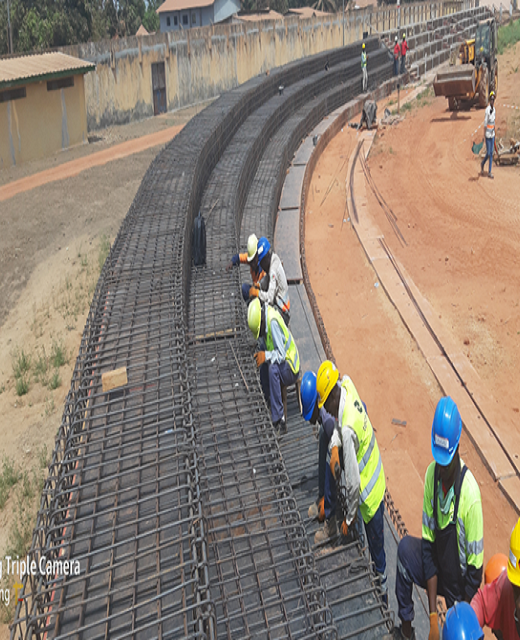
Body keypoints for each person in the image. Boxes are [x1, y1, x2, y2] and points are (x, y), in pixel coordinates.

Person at [394, 396, 484, 640]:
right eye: (439, 462)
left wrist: (455, 618)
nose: (441, 469)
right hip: (437, 569)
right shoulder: (431, 476)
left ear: (456, 450)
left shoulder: (470, 494)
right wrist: (433, 617)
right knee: (404, 552)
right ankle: (405, 631)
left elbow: (475, 573)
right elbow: (427, 546)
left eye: (446, 463)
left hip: (461, 586)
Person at [316, 361, 387, 596]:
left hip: (371, 496)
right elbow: (341, 425)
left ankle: (381, 592)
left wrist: (348, 518)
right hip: (376, 478)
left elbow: (354, 483)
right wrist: (334, 446)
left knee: (378, 556)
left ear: (332, 398)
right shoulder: (347, 383)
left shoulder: (348, 431)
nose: (327, 410)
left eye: (326, 404)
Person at [247, 297, 300, 436]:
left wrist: (266, 356)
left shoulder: (272, 322)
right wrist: (262, 356)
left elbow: (281, 355)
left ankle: (279, 420)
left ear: (261, 322)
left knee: (272, 369)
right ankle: (267, 399)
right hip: (284, 363)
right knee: (265, 361)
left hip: (291, 367)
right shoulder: (265, 318)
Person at [300, 371, 337, 543]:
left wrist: (328, 505)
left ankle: (331, 522)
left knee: (332, 467)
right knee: (322, 436)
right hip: (333, 433)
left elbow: (335, 464)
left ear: (317, 404)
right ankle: (322, 496)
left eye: (310, 415)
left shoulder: (329, 421)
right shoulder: (323, 415)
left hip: (346, 440)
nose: (309, 421)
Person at [470, 519, 520, 640]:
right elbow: (482, 603)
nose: (519, 604)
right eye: (517, 589)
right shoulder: (507, 586)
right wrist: (467, 629)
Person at [251, 237, 291, 326]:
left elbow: (270, 298)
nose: (262, 267)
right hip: (278, 306)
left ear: (265, 259)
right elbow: (267, 280)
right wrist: (259, 286)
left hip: (282, 312)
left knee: (261, 318)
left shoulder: (273, 270)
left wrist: (258, 293)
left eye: (261, 263)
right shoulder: (273, 259)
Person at [226, 233, 265, 301]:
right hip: (256, 291)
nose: (252, 264)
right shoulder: (252, 260)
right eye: (250, 262)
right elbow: (239, 257)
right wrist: (232, 262)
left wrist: (257, 293)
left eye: (253, 261)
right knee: (245, 288)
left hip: (264, 296)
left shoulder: (264, 270)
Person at [481, 91, 496, 179]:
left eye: (493, 99)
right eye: (491, 99)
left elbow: (494, 122)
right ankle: (483, 163)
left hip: (492, 134)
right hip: (487, 135)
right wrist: (484, 135)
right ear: (489, 100)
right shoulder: (487, 111)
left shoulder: (494, 110)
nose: (492, 101)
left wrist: (494, 132)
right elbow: (485, 124)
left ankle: (489, 172)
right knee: (489, 153)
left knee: (491, 153)